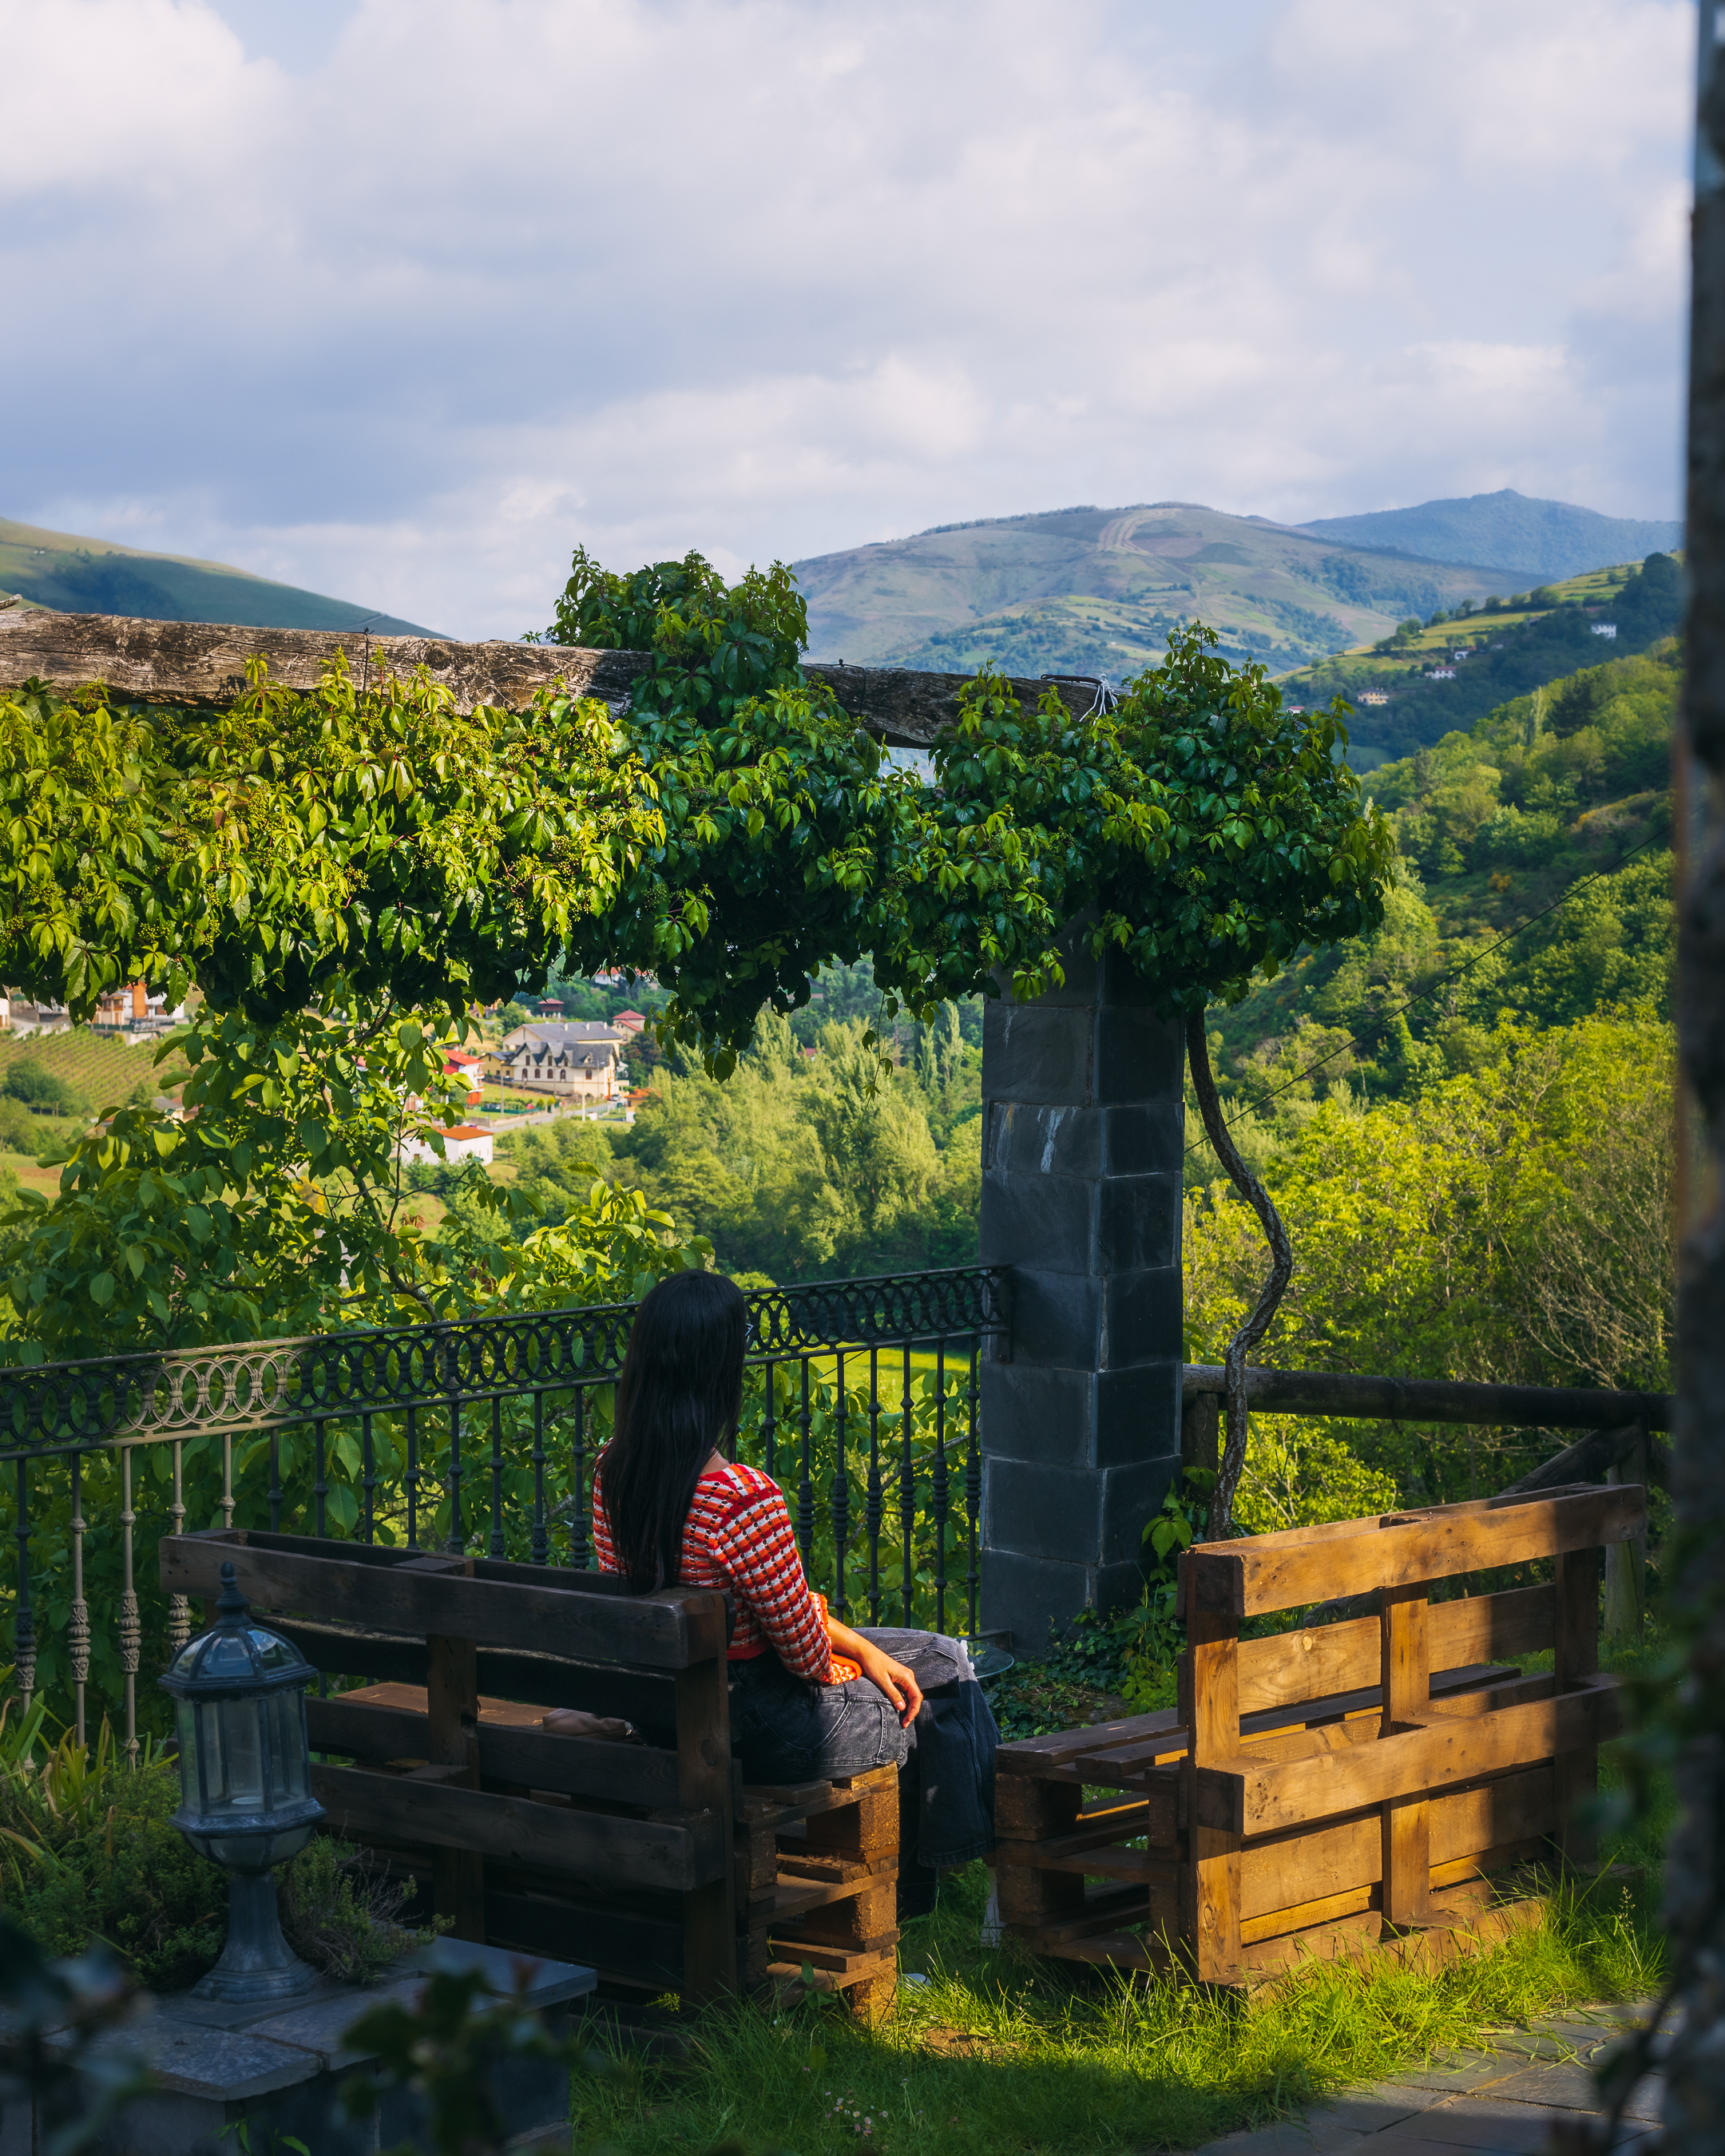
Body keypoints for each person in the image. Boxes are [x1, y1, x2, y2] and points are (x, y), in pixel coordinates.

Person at [577, 1269, 997, 1915]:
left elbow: (774, 1608)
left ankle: (963, 1870)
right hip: (761, 1727)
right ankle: (943, 1894)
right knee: (930, 1700)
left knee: (940, 1657)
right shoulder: (741, 1498)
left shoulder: (612, 1470)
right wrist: (851, 1666)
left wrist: (860, 1647)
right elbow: (801, 1652)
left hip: (671, 1702)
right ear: (719, 1366)